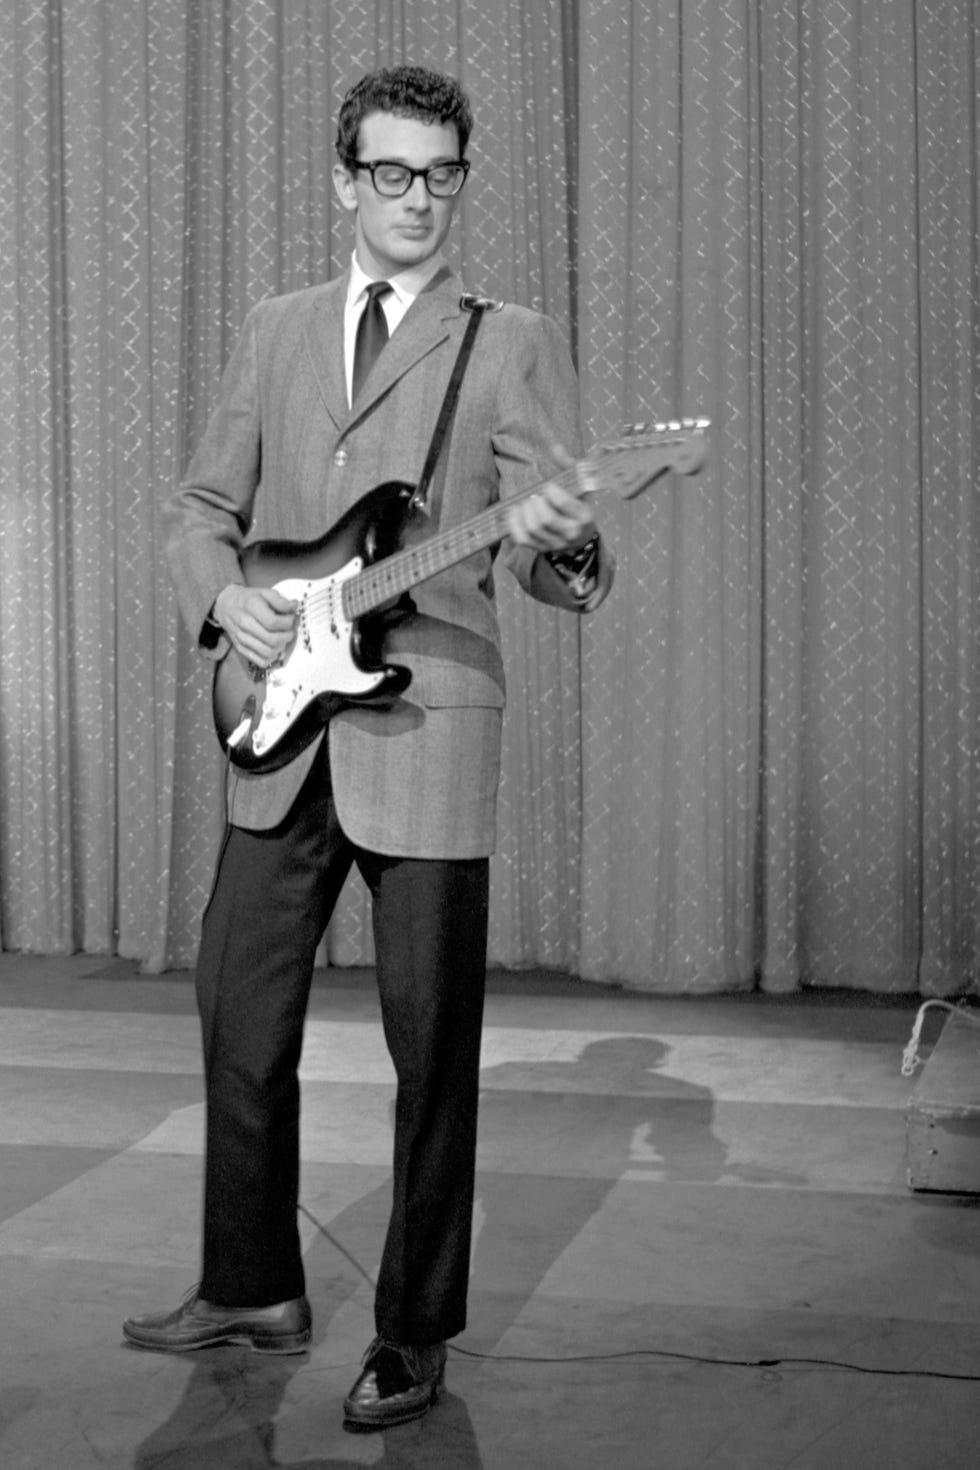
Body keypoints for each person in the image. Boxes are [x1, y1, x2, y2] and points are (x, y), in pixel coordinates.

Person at [123, 63, 614, 1433]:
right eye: (392, 174)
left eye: (443, 174)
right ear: (347, 180)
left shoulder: (506, 339)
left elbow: (558, 558)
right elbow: (200, 504)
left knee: (431, 1051)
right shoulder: (275, 327)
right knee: (237, 1010)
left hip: (429, 723)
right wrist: (222, 598)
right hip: (279, 725)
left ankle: (411, 1330)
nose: (418, 198)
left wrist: (568, 533)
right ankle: (251, 1281)